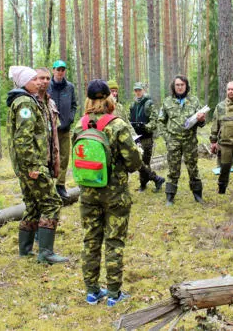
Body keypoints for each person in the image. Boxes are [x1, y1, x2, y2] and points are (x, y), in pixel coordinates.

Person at [72, 79, 142, 307]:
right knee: (114, 242)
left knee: (90, 241)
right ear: (108, 99)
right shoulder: (118, 125)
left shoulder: (80, 126)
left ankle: (92, 291)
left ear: (89, 99)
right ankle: (113, 294)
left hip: (88, 194)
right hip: (115, 195)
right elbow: (133, 162)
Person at [7, 66, 68, 263]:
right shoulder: (25, 103)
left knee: (33, 205)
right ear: (24, 83)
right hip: (32, 165)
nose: (38, 83)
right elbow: (23, 140)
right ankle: (46, 253)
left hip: (28, 165)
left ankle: (25, 250)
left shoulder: (31, 101)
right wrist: (33, 166)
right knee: (52, 202)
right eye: (33, 80)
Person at [158, 75, 206, 206]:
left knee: (193, 168)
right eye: (177, 85)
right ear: (174, 86)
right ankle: (170, 196)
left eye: (182, 85)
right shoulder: (167, 102)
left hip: (190, 141)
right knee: (173, 169)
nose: (180, 87)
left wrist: (202, 120)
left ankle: (197, 194)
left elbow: (201, 122)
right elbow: (161, 121)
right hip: (173, 141)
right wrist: (167, 138)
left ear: (186, 86)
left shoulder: (194, 101)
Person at [48, 60, 78, 200]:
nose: (60, 72)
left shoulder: (69, 87)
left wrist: (70, 118)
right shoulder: (47, 86)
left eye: (63, 70)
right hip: (49, 130)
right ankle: (48, 188)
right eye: (58, 69)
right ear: (53, 70)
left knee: (64, 157)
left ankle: (60, 185)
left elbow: (74, 105)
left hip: (65, 129)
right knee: (50, 157)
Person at [129, 82, 165, 192]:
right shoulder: (133, 104)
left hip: (146, 138)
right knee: (139, 163)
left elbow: (155, 121)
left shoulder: (149, 104)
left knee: (144, 163)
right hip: (136, 138)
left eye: (139, 90)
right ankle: (152, 181)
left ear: (144, 90)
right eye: (136, 90)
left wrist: (145, 127)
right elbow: (129, 119)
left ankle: (145, 184)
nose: (138, 92)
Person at [36, 68, 61, 180]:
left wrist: (57, 160)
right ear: (34, 79)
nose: (45, 81)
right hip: (36, 162)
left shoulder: (51, 103)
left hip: (50, 159)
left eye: (48, 78)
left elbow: (55, 134)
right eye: (42, 78)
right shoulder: (29, 102)